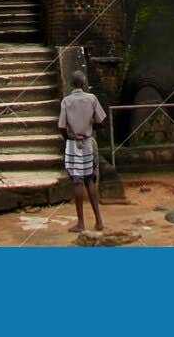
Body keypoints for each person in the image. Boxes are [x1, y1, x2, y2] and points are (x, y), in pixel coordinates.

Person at [58, 69, 107, 233]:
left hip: (73, 143)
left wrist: (68, 139)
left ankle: (81, 223)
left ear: (72, 84)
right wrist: (90, 126)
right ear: (84, 83)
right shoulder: (91, 98)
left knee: (77, 180)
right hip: (87, 142)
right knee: (90, 179)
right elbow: (101, 121)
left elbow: (61, 126)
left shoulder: (66, 101)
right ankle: (99, 221)